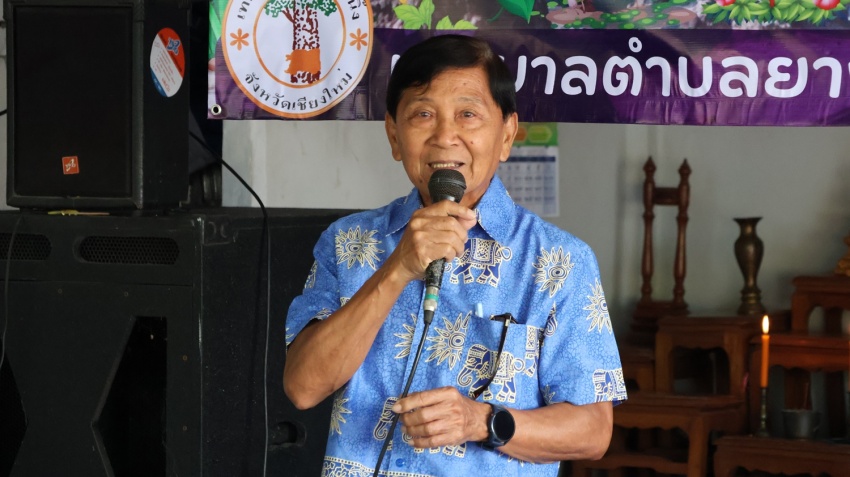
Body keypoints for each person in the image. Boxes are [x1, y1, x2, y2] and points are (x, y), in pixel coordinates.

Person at [283, 34, 626, 476]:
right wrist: (397, 268)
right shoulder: (347, 242)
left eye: (468, 114)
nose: (445, 137)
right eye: (423, 114)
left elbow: (593, 431)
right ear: (394, 135)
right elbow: (303, 387)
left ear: (507, 135)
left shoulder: (559, 261)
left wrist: (480, 421)